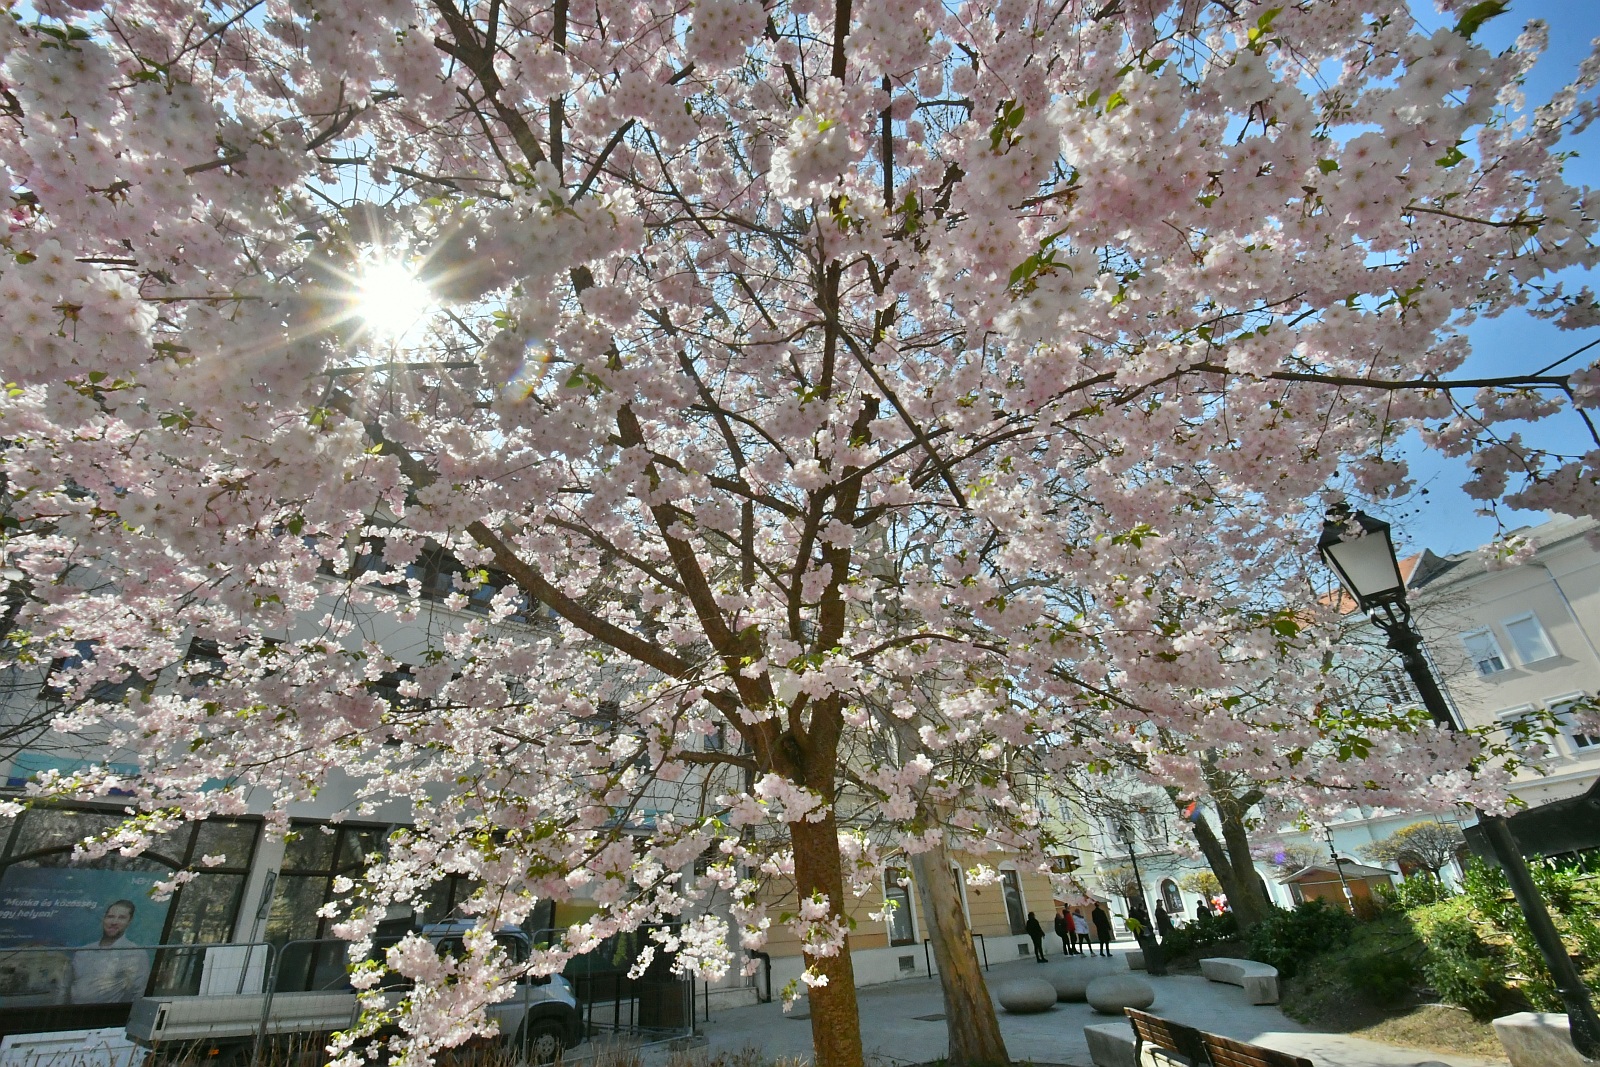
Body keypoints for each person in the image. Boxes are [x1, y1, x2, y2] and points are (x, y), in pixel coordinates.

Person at [70, 899, 149, 1004]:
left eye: (121, 918)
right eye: (110, 917)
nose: (114, 922)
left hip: (108, 1015)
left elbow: (138, 993)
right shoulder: (83, 952)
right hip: (71, 1014)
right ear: (104, 918)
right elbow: (66, 988)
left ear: (129, 922)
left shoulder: (135, 953)